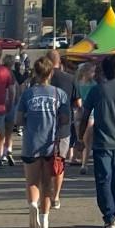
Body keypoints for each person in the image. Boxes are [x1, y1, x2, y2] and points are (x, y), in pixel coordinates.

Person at [81, 55, 115, 228]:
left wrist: (82, 137)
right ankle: (114, 211)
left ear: (103, 72)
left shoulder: (97, 91)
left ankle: (109, 215)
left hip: (102, 143)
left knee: (104, 179)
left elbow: (84, 115)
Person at [18, 57, 72, 228]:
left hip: (31, 142)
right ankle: (44, 218)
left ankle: (33, 203)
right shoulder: (59, 94)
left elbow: (18, 119)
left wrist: (29, 120)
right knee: (47, 182)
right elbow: (65, 119)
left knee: (32, 181)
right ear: (51, 73)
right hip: (51, 143)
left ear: (35, 72)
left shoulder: (28, 94)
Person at [46, 52, 82, 205]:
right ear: (59, 61)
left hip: (44, 126)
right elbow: (78, 104)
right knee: (59, 161)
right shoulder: (69, 78)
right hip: (64, 125)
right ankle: (56, 196)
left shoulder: (41, 78)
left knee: (44, 162)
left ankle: (46, 195)